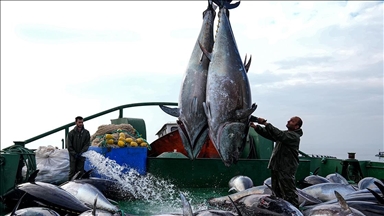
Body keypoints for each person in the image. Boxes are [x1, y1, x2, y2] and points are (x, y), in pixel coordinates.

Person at [250, 116, 303, 208]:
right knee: (276, 192)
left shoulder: (294, 136)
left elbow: (278, 134)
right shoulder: (286, 134)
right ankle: (279, 210)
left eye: (292, 121)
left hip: (286, 168)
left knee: (289, 193)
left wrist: (265, 124)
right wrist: (256, 127)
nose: (288, 121)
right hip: (277, 166)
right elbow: (271, 135)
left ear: (296, 126)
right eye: (289, 119)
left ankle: (294, 211)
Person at [67, 116, 90, 180]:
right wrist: (74, 154)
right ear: (76, 122)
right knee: (72, 171)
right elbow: (69, 145)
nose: (81, 124)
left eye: (82, 122)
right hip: (73, 156)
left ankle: (79, 186)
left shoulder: (86, 133)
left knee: (80, 172)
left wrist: (81, 152)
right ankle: (69, 186)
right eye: (79, 122)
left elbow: (87, 144)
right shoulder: (71, 133)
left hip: (81, 155)